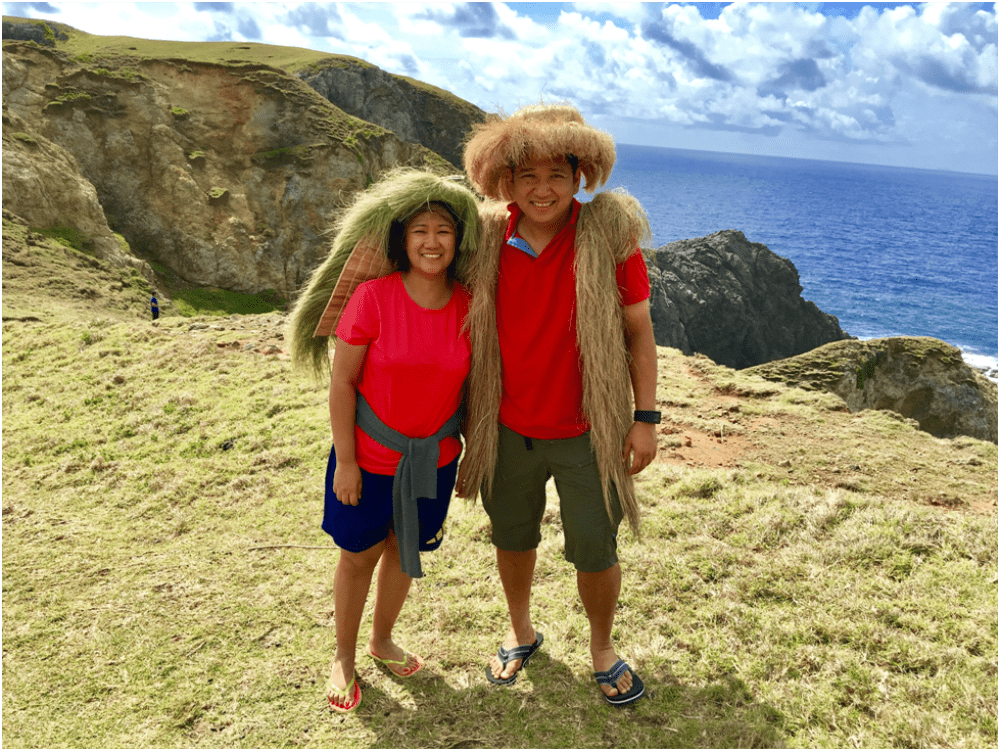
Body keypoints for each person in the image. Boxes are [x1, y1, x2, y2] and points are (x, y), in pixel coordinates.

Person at [457, 104, 659, 706]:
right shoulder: (485, 237)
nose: (542, 189)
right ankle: (521, 632)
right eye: (527, 176)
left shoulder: (610, 235)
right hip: (505, 426)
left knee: (596, 548)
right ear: (506, 181)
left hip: (589, 431)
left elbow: (639, 333)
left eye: (556, 175)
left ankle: (602, 648)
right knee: (512, 537)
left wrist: (645, 419)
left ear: (579, 176)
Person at [288, 170, 480, 714]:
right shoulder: (373, 298)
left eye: (443, 230)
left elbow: (474, 391)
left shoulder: (470, 305)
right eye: (420, 230)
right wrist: (345, 461)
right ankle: (344, 656)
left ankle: (382, 641)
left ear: (457, 241)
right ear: (403, 241)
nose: (432, 241)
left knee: (404, 549)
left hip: (436, 460)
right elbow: (342, 382)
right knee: (358, 556)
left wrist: (471, 457)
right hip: (369, 460)